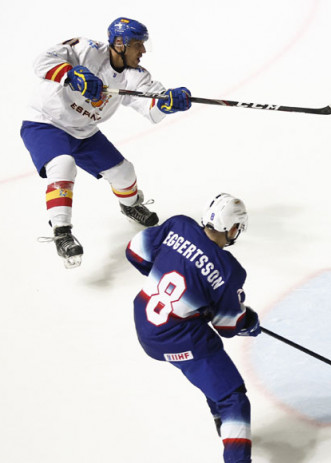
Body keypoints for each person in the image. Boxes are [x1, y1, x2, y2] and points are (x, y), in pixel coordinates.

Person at [21, 17, 192, 268]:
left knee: (124, 173)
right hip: (46, 122)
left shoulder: (135, 76)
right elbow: (41, 62)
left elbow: (152, 108)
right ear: (120, 44)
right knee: (63, 164)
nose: (143, 51)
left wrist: (168, 102)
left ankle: (130, 206)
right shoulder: (85, 48)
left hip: (84, 131)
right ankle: (62, 232)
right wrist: (71, 74)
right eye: (138, 45)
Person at [125, 193, 260, 463]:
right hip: (178, 337)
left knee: (214, 371)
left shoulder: (179, 225)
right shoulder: (229, 269)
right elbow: (227, 325)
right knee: (233, 398)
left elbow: (134, 252)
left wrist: (164, 271)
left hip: (144, 320)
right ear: (232, 228)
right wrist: (250, 321)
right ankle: (232, 441)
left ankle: (225, 427)